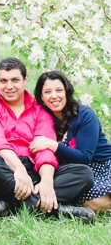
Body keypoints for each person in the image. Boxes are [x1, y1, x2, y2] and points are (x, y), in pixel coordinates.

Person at [0, 57, 95, 223]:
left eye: (15, 80)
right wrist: (18, 169)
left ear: (25, 79)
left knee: (83, 173)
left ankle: (12, 205)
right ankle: (57, 210)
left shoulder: (40, 111)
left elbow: (44, 150)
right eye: (3, 81)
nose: (9, 86)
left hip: (34, 170)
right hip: (3, 167)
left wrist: (46, 181)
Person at [30, 71, 111, 215]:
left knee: (93, 202)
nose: (54, 96)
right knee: (90, 201)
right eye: (48, 92)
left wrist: (51, 144)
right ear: (42, 97)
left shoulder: (85, 115)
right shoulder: (43, 119)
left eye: (59, 90)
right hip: (75, 173)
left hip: (102, 165)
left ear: (67, 92)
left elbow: (85, 158)